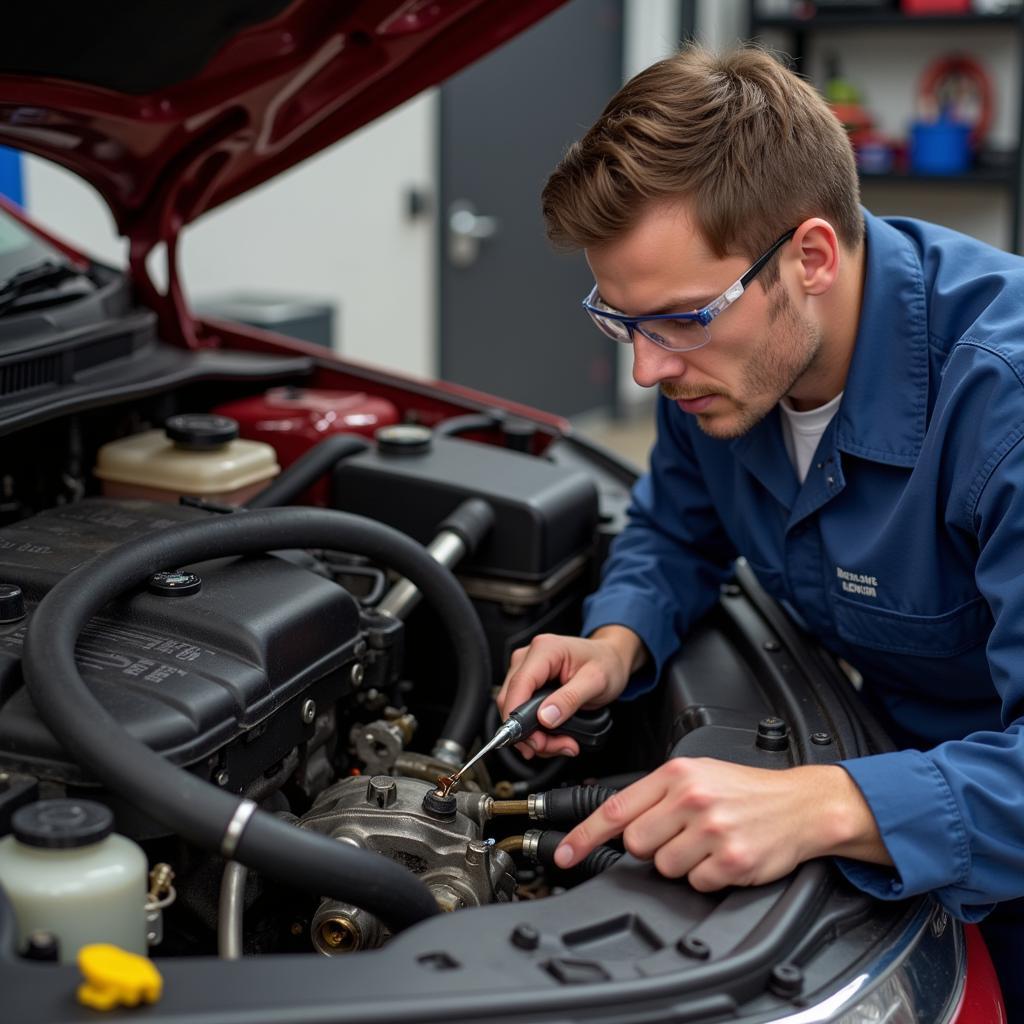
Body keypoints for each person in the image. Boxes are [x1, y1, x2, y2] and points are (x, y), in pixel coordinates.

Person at [497, 44, 1024, 1011]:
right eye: (620, 322)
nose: (647, 372)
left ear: (811, 257)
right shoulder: (716, 362)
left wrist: (825, 801)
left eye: (676, 320)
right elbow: (675, 532)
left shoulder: (1004, 408)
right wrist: (618, 642)